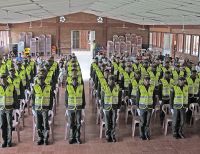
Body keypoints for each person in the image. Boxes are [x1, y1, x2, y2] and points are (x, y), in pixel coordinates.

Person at [32, 74, 54, 145]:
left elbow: (51, 99)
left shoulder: (49, 87)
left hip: (45, 109)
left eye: (42, 79)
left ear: (44, 79)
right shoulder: (35, 87)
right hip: (37, 109)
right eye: (39, 79)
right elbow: (33, 99)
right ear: (37, 79)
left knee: (45, 124)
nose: (40, 80)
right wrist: (33, 108)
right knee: (38, 124)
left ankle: (45, 138)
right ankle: (40, 138)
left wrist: (50, 108)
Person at [101, 75, 122, 142]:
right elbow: (102, 98)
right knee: (107, 122)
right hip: (107, 107)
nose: (111, 81)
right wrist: (103, 107)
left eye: (113, 80)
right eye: (110, 79)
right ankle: (107, 135)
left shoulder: (117, 87)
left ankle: (113, 135)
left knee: (113, 122)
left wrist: (118, 107)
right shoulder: (104, 87)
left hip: (114, 107)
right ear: (108, 80)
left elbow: (120, 98)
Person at [65, 76, 85, 144]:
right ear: (71, 81)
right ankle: (71, 137)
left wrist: (83, 107)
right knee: (71, 123)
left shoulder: (81, 87)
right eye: (73, 80)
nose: (74, 81)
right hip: (71, 108)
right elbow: (66, 98)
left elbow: (83, 96)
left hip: (78, 107)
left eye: (75, 80)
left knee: (78, 123)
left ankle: (77, 137)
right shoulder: (68, 87)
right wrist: (66, 107)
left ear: (77, 81)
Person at [136, 75, 157, 140]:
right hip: (142, 107)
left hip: (150, 107)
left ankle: (146, 134)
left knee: (148, 122)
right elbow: (137, 98)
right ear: (143, 80)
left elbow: (154, 98)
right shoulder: (140, 87)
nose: (147, 81)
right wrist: (137, 108)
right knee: (142, 122)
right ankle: (141, 135)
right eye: (146, 79)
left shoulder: (152, 87)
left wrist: (153, 107)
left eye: (148, 79)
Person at [0, 73, 18, 148]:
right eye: (1, 78)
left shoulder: (12, 86)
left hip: (9, 108)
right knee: (2, 125)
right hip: (1, 109)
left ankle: (9, 141)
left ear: (7, 78)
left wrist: (14, 107)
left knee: (9, 125)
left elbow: (15, 97)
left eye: (4, 78)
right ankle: (4, 141)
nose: (2, 80)